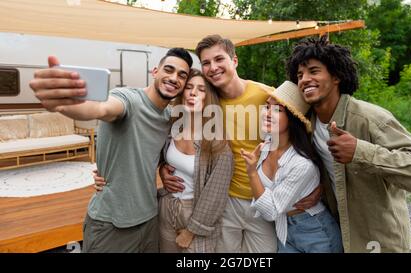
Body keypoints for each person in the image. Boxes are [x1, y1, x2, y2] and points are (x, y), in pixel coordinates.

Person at [160, 35, 322, 253]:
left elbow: (307, 135)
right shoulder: (209, 100)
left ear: (234, 61)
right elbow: (181, 134)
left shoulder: (267, 96)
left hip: (265, 199)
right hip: (227, 200)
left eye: (219, 59)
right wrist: (164, 167)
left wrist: (317, 184)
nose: (213, 67)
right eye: (206, 63)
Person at [285, 36, 411, 252]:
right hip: (341, 236)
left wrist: (361, 152)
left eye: (314, 71)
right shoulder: (308, 125)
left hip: (381, 241)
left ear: (336, 76)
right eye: (299, 75)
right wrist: (320, 188)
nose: (304, 79)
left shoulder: (370, 118)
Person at [29, 48, 193, 252]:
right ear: (155, 71)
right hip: (111, 224)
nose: (174, 78)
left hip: (150, 219)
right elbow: (101, 108)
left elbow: (154, 151)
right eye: (169, 69)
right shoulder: (128, 100)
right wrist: (67, 105)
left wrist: (162, 168)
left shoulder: (168, 116)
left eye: (182, 75)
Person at [94, 68, 234, 253]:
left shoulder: (217, 143)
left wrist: (191, 232)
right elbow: (146, 154)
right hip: (166, 207)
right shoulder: (171, 127)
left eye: (201, 89)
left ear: (209, 98)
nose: (193, 93)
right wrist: (106, 173)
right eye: (189, 87)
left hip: (196, 214)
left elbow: (215, 194)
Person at [240, 81, 343, 253]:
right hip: (285, 229)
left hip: (315, 230)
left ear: (292, 119)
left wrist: (252, 172)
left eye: (277, 110)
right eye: (266, 107)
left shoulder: (302, 164)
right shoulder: (265, 147)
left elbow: (271, 211)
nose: (267, 113)